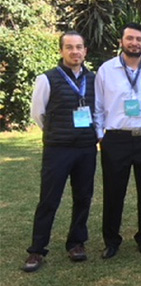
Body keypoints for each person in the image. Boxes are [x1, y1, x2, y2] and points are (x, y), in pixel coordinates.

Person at [23, 31, 97, 272]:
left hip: (86, 148)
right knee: (49, 199)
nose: (75, 51)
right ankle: (37, 250)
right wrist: (58, 132)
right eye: (69, 47)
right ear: (61, 51)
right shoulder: (48, 79)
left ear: (85, 51)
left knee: (83, 197)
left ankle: (76, 243)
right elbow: (38, 114)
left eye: (79, 47)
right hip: (58, 149)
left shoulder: (94, 79)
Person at [94, 23, 141, 259]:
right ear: (121, 42)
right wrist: (100, 136)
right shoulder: (106, 70)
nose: (134, 43)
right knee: (114, 191)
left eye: (139, 39)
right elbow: (97, 106)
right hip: (116, 139)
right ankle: (111, 240)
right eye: (130, 38)